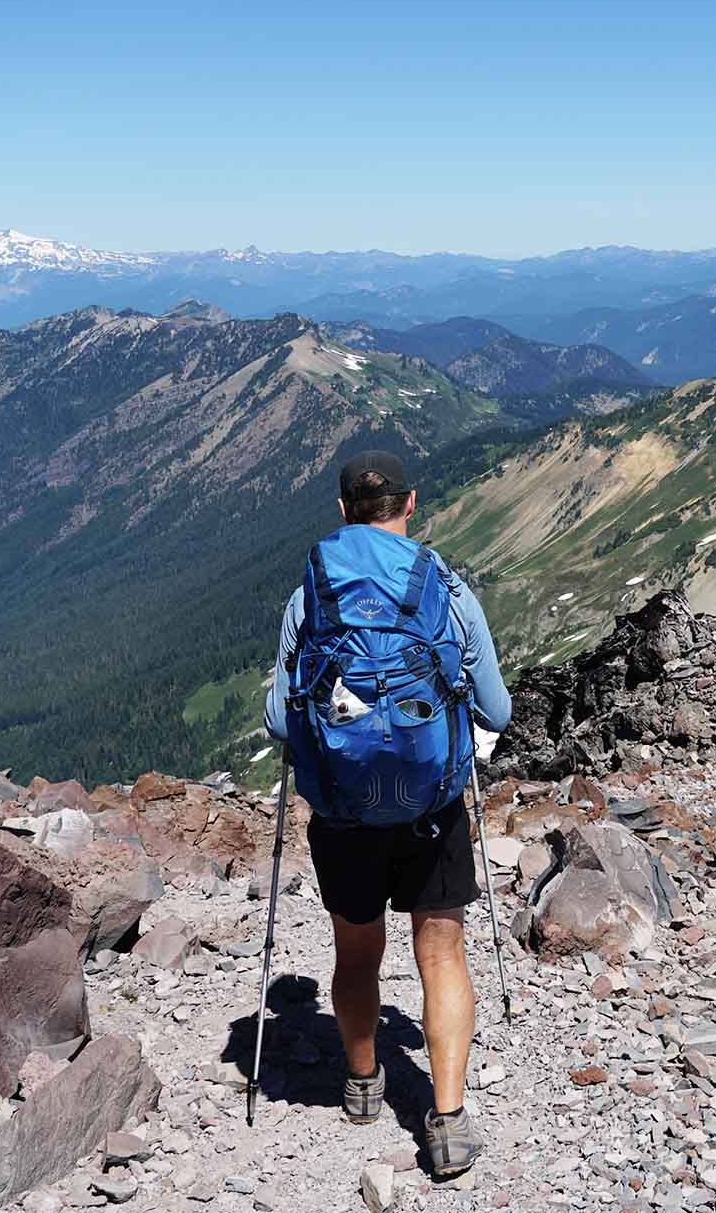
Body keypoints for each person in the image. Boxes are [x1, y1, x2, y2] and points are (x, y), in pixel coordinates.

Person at [264, 449, 510, 1177]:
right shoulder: (445, 584)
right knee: (441, 955)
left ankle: (365, 1083)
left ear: (342, 511)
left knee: (357, 952)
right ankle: (448, 1120)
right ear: (411, 505)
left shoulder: (311, 594)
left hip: (343, 813)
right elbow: (495, 706)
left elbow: (282, 717)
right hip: (432, 807)